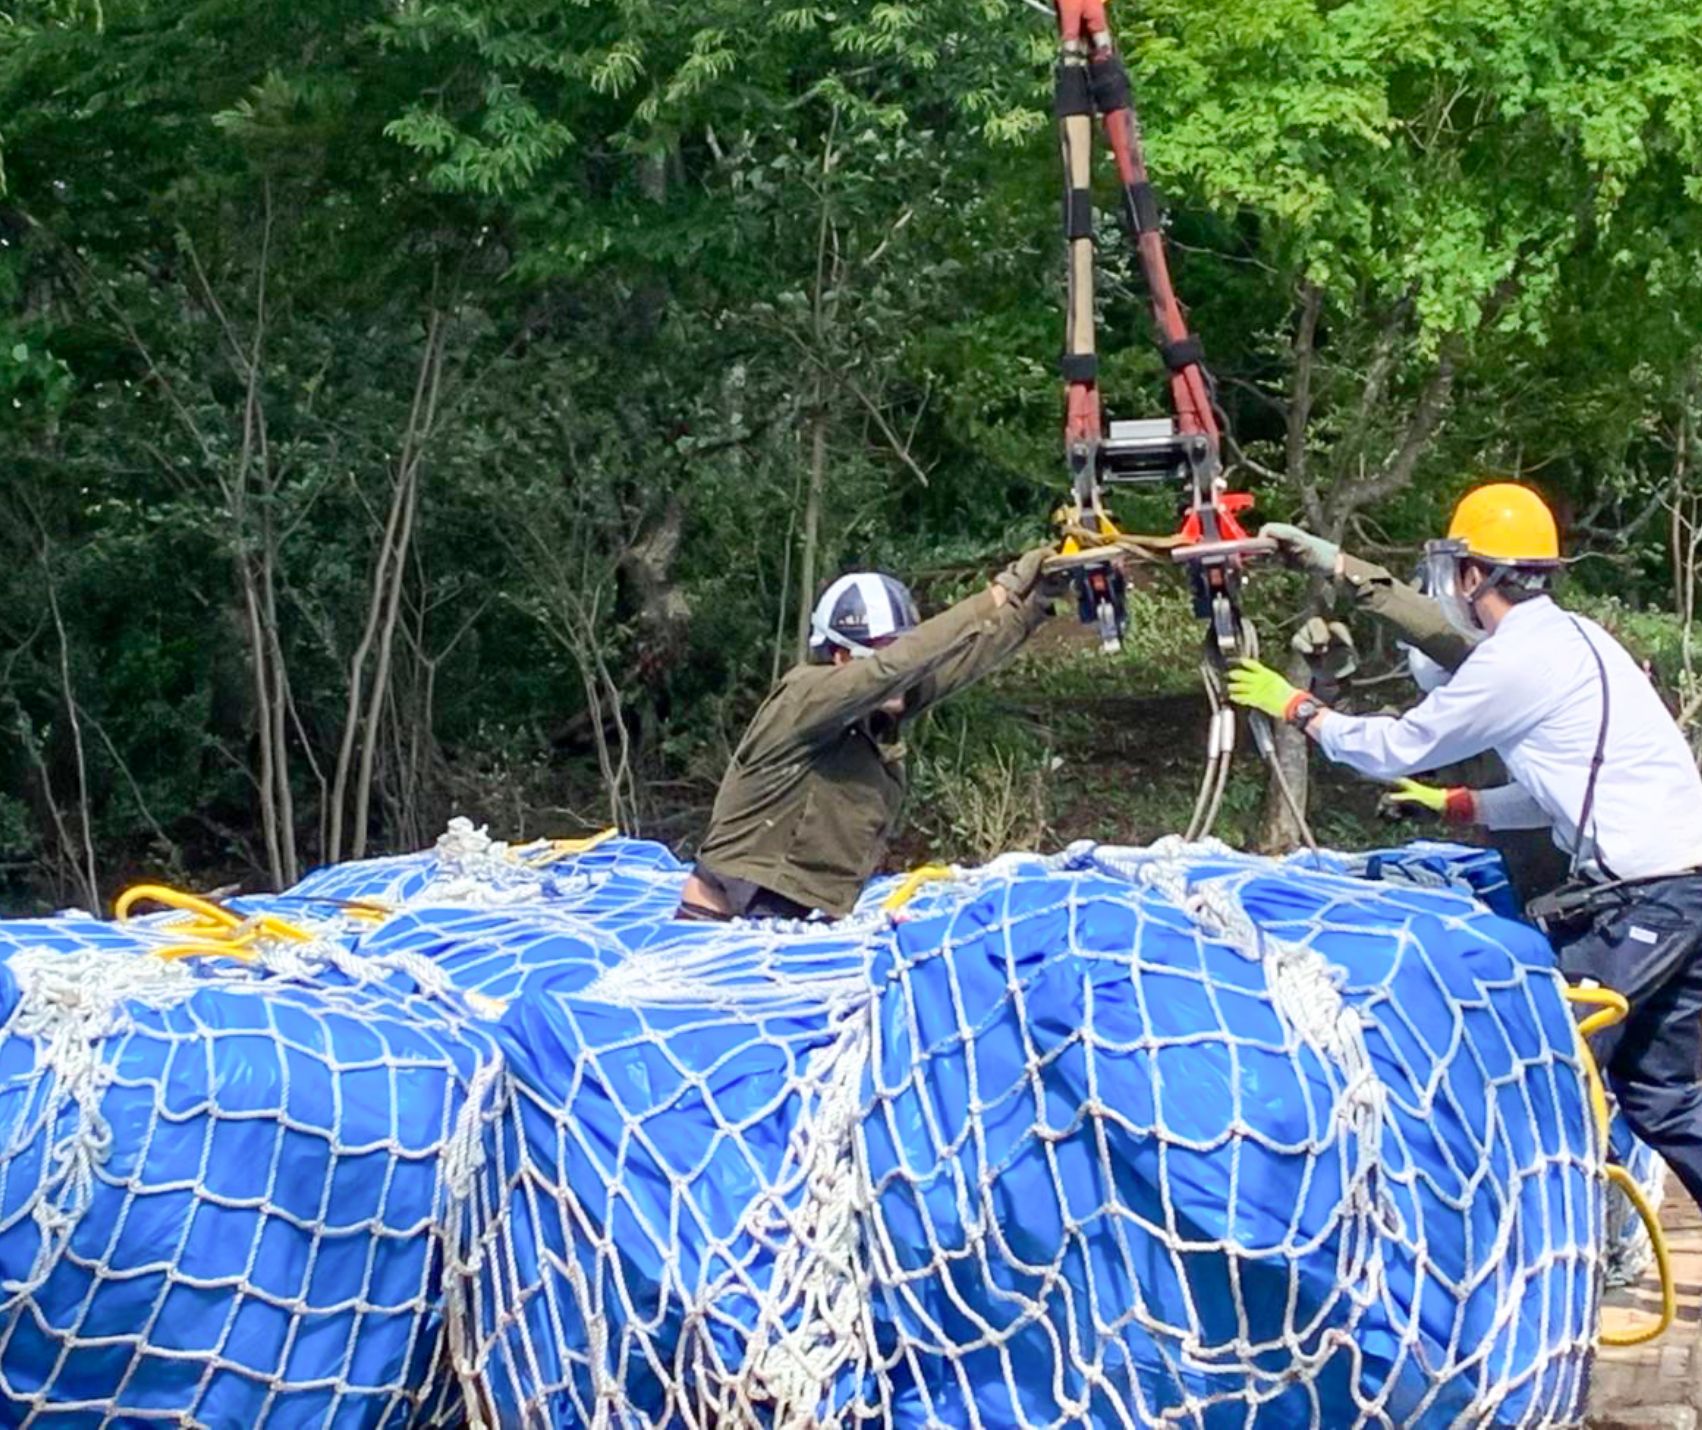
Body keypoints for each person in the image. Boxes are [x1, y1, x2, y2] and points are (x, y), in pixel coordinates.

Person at [1230, 482, 1702, 1209]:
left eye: (1453, 570)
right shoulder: (1577, 639)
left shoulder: (1514, 662)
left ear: (1474, 574)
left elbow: (1396, 746)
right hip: (1682, 894)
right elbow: (1566, 790)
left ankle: (1549, 1238)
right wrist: (1460, 804)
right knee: (1664, 1099)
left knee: (1542, 1060)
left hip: (1645, 903)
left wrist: (1301, 708)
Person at [678, 546, 1067, 922]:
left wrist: (1033, 604)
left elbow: (958, 662)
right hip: (725, 918)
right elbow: (895, 667)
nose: (902, 674)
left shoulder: (875, 709)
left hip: (792, 914)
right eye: (883, 649)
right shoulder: (806, 697)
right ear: (841, 657)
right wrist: (997, 594)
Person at [1262, 515, 1572, 897]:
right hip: (1534, 889)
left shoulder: (1511, 666)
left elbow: (1438, 634)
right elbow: (1377, 751)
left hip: (1581, 885)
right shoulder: (1463, 700)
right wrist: (1332, 686)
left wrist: (1339, 565)